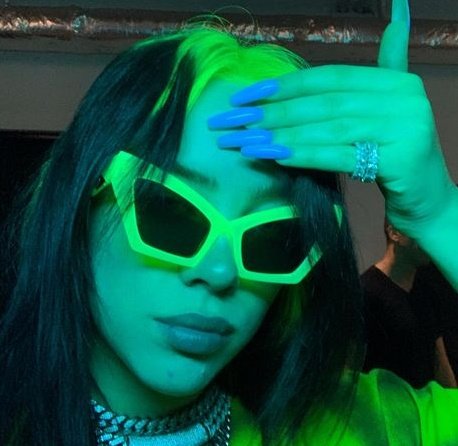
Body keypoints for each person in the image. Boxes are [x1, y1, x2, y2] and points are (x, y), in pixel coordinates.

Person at [1, 1, 458, 445]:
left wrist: (441, 216)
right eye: (169, 212)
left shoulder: (363, 427)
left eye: (272, 238)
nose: (220, 272)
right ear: (80, 204)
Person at [361, 221, 457, 388]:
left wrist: (452, 400)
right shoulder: (366, 292)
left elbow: (439, 359)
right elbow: (350, 367)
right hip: (390, 402)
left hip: (426, 402)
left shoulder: (425, 286)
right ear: (394, 233)